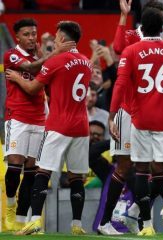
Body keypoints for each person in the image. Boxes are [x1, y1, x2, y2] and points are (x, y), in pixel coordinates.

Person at [109, 7, 163, 236]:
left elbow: (119, 84)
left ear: (141, 26)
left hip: (139, 119)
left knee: (141, 170)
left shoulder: (132, 50)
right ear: (162, 27)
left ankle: (146, 226)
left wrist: (111, 115)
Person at [6, 21, 92, 235]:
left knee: (42, 171)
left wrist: (16, 77)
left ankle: (34, 220)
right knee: (76, 177)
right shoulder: (87, 62)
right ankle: (77, 225)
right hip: (82, 126)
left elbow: (34, 88)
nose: (53, 40)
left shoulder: (55, 62)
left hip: (58, 123)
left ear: (62, 39)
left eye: (56, 37)